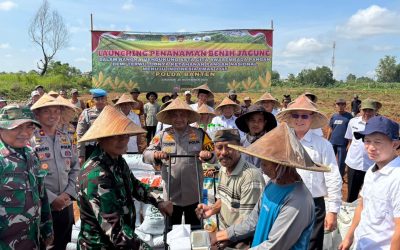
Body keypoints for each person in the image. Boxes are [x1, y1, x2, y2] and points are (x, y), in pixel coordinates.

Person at [211, 122, 329, 249]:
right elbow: (253, 221)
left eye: (265, 163)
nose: (261, 167)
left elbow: (274, 246)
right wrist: (224, 235)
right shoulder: (272, 184)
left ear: (281, 166)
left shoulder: (298, 201)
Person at [76, 105, 173, 249]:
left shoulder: (117, 160)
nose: (123, 140)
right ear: (101, 139)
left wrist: (158, 201)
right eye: (116, 136)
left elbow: (134, 185)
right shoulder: (95, 175)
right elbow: (116, 231)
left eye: (126, 135)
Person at [276, 94, 342, 250]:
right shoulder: (282, 142)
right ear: (290, 118)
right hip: (286, 201)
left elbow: (333, 176)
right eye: (295, 115)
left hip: (314, 204)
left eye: (304, 116)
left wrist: (332, 211)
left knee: (312, 245)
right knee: (286, 243)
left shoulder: (323, 145)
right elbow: (271, 171)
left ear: (311, 119)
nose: (299, 120)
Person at [143, 98, 216, 227]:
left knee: (195, 228)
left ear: (188, 116)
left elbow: (215, 155)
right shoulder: (162, 135)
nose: (179, 118)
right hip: (171, 195)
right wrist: (155, 154)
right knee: (171, 230)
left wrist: (208, 155)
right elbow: (145, 155)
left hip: (194, 193)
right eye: (175, 115)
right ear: (170, 118)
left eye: (182, 115)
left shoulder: (200, 134)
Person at [195, 129, 265, 248]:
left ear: (240, 147)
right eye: (219, 147)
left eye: (229, 147)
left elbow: (247, 223)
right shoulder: (223, 168)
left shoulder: (250, 177)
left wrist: (221, 238)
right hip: (225, 234)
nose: (224, 152)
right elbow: (224, 200)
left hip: (241, 241)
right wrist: (211, 209)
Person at [339, 116, 400, 250]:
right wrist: (349, 237)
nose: (371, 147)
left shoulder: (397, 178)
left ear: (395, 144)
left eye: (377, 142)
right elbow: (362, 206)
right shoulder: (372, 171)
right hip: (362, 243)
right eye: (367, 141)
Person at [0, 104, 53, 249]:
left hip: (32, 240)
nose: (25, 133)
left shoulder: (31, 154)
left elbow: (41, 194)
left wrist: (47, 227)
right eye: (17, 127)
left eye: (29, 127)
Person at [30, 94, 79, 250]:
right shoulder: (30, 140)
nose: (53, 115)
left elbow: (75, 168)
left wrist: (68, 194)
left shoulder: (65, 138)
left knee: (64, 243)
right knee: (44, 244)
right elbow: (30, 175)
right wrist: (52, 198)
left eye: (56, 111)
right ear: (37, 114)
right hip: (42, 206)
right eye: (47, 111)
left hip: (66, 204)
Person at [344, 99, 379, 202]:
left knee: (370, 196)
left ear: (375, 111)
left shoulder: (379, 125)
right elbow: (350, 141)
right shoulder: (353, 122)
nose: (367, 113)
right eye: (365, 110)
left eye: (370, 110)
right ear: (360, 110)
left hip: (372, 165)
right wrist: (347, 163)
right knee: (351, 195)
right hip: (354, 164)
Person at [76, 88, 108, 165]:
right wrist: (81, 154)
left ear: (106, 99)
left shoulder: (111, 113)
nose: (100, 101)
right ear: (93, 100)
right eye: (97, 99)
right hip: (91, 150)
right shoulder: (87, 113)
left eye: (102, 99)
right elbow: (80, 134)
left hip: (108, 149)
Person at [327, 98, 353, 177]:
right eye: (338, 104)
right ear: (336, 106)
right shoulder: (334, 116)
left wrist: (349, 143)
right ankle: (329, 175)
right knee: (329, 160)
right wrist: (327, 140)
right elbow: (330, 129)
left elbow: (351, 131)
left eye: (342, 105)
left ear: (345, 106)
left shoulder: (349, 117)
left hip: (343, 143)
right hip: (332, 142)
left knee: (341, 162)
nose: (340, 106)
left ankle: (340, 176)